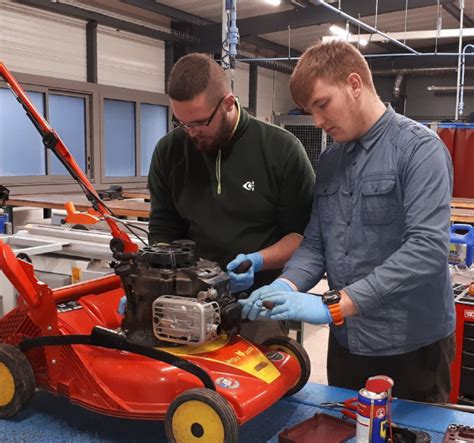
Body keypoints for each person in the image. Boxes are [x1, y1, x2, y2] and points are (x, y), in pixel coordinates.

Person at [240, 40, 455, 402]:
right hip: (347, 343)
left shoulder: (420, 150)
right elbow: (316, 243)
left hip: (410, 348)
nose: (319, 122)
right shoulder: (330, 161)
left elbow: (427, 249)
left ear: (355, 84)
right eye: (311, 111)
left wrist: (338, 303)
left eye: (322, 105)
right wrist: (288, 285)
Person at [147, 53, 315, 343]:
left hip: (258, 307)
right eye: (182, 123)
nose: (191, 133)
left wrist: (258, 261)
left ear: (228, 103)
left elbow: (302, 237)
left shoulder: (281, 150)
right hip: (187, 306)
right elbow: (163, 230)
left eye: (199, 122)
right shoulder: (169, 151)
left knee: (260, 380)